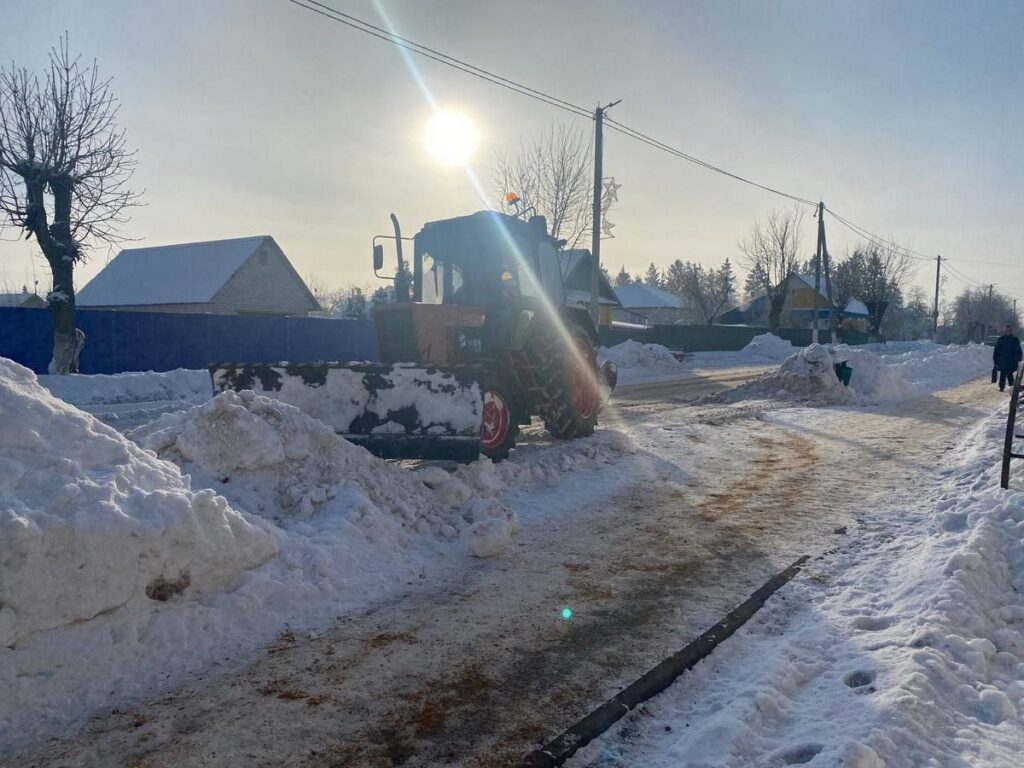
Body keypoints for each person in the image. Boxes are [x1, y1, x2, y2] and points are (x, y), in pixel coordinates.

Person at [992, 324, 1022, 392]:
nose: (1008, 331)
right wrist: (995, 360)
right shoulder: (1001, 340)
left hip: (1011, 360)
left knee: (1010, 373)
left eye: (1009, 330)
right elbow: (996, 351)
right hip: (1003, 360)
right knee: (1003, 374)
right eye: (1006, 330)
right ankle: (1002, 387)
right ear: (1004, 331)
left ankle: (1012, 386)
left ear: (1011, 331)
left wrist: (1018, 359)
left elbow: (1018, 350)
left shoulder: (1015, 340)